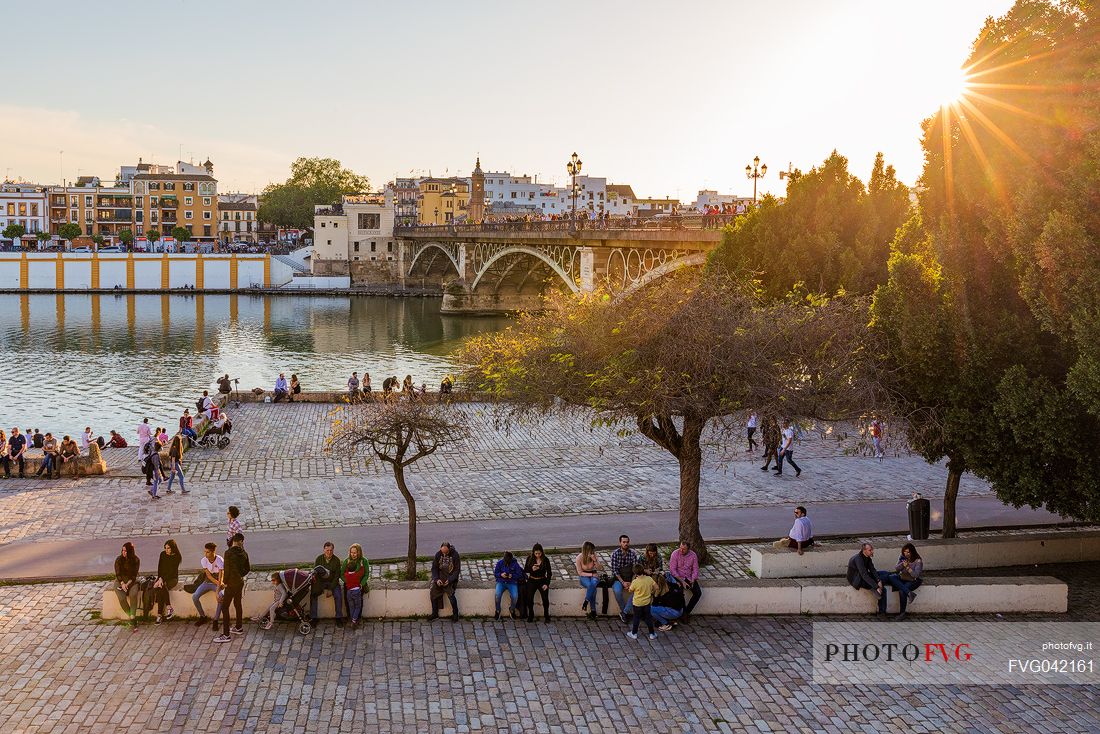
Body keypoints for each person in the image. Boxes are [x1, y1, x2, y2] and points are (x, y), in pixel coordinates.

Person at [215, 533, 250, 643]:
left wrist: (224, 583)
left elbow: (227, 569)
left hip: (230, 584)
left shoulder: (228, 553)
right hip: (239, 582)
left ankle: (226, 635)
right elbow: (247, 569)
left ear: (233, 540)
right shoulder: (244, 553)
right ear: (241, 541)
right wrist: (240, 575)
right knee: (237, 604)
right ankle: (238, 627)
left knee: (225, 608)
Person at [879, 543, 923, 620]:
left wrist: (907, 567)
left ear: (912, 552)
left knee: (902, 591)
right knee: (891, 577)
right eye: (904, 552)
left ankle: (902, 613)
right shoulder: (902, 557)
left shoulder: (918, 561)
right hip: (903, 577)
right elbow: (896, 568)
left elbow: (916, 575)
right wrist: (902, 564)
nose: (906, 554)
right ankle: (910, 593)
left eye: (908, 552)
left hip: (913, 580)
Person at [310, 542, 345, 627]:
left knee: (338, 595)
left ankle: (338, 617)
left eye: (331, 550)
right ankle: (314, 617)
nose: (329, 552)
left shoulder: (336, 560)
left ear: (333, 550)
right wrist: (318, 587)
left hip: (332, 582)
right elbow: (315, 573)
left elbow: (337, 577)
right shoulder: (319, 559)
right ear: (324, 550)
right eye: (327, 550)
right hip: (321, 582)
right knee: (313, 594)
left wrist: (330, 589)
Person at [668, 540, 703, 620]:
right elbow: (672, 570)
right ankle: (682, 612)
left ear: (688, 549)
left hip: (689, 577)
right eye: (680, 548)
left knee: (698, 593)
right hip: (678, 577)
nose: (681, 550)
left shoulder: (693, 555)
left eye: (683, 549)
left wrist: (693, 579)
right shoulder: (675, 554)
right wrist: (682, 582)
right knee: (679, 593)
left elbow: (695, 569)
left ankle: (686, 612)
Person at [193, 542, 225, 629]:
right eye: (205, 551)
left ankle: (216, 620)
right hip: (208, 582)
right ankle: (203, 617)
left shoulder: (220, 560)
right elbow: (209, 576)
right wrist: (218, 585)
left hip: (218, 581)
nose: (205, 554)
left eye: (207, 552)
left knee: (220, 597)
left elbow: (221, 576)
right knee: (195, 596)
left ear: (213, 552)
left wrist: (217, 591)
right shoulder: (203, 560)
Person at [846, 542, 884, 612]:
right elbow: (864, 575)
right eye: (870, 550)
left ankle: (877, 585)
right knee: (882, 589)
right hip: (856, 580)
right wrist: (876, 587)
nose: (872, 551)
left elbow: (872, 569)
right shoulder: (858, 559)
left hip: (862, 576)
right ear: (864, 551)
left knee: (883, 574)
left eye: (872, 549)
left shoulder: (867, 558)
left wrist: (878, 580)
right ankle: (882, 612)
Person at [625, 563, 658, 641]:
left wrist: (629, 587)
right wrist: (651, 591)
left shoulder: (635, 582)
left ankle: (634, 633)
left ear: (635, 573)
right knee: (648, 618)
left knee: (636, 618)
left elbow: (630, 590)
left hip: (637, 603)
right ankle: (652, 634)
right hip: (647, 603)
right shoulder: (649, 579)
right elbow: (657, 587)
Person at [428, 542, 461, 621]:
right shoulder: (438, 554)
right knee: (433, 593)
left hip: (450, 578)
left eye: (445, 552)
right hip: (440, 578)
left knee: (451, 596)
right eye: (443, 552)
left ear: (449, 549)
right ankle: (435, 613)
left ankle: (455, 614)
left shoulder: (455, 555)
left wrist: (449, 580)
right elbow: (434, 568)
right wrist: (436, 579)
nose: (444, 554)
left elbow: (456, 570)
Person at [610, 534, 638, 623]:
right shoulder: (615, 554)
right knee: (617, 591)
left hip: (631, 578)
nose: (626, 544)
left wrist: (632, 582)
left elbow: (635, 570)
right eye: (624, 542)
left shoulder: (633, 553)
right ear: (620, 543)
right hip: (619, 579)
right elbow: (615, 571)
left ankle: (624, 612)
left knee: (637, 590)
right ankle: (624, 611)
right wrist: (623, 583)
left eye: (627, 542)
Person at [113, 541, 141, 628]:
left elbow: (133, 576)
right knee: (122, 598)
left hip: (131, 582)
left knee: (133, 595)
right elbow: (118, 574)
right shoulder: (119, 560)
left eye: (125, 551)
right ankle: (131, 618)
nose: (123, 552)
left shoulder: (136, 560)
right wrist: (122, 584)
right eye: (123, 550)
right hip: (120, 581)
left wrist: (127, 584)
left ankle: (132, 616)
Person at [153, 539, 182, 624]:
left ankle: (159, 615)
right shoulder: (162, 554)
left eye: (168, 548)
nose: (166, 550)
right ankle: (168, 609)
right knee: (160, 587)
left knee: (162, 586)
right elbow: (160, 568)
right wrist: (159, 579)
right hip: (162, 578)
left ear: (172, 548)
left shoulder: (177, 557)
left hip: (172, 578)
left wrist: (162, 580)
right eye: (165, 548)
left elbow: (171, 572)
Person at [342, 543, 370, 628]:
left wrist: (361, 583)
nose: (353, 554)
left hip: (359, 586)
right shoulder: (346, 561)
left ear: (359, 552)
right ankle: (350, 618)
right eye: (351, 552)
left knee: (359, 603)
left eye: (355, 552)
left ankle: (358, 618)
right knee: (348, 603)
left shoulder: (364, 561)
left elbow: (366, 574)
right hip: (349, 586)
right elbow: (342, 573)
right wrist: (348, 582)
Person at [522, 543, 552, 623]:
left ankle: (546, 616)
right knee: (529, 598)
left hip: (542, 580)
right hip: (532, 580)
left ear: (542, 552)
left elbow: (549, 573)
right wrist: (532, 569)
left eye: (539, 553)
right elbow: (525, 570)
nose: (538, 555)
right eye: (536, 553)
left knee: (545, 599)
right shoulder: (530, 558)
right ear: (533, 553)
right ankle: (531, 614)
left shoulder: (545, 560)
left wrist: (547, 584)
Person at [493, 551, 525, 620]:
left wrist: (512, 575)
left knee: (515, 596)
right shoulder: (500, 563)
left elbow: (519, 574)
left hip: (512, 582)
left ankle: (512, 610)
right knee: (497, 595)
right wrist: (501, 575)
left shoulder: (515, 564)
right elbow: (496, 573)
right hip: (501, 582)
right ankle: (498, 611)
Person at [575, 540, 602, 620]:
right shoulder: (579, 558)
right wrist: (591, 574)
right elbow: (580, 573)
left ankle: (586, 602)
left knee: (593, 583)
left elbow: (600, 568)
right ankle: (593, 611)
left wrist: (595, 560)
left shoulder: (594, 555)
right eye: (591, 551)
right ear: (587, 551)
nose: (593, 552)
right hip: (584, 575)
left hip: (594, 574)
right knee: (592, 586)